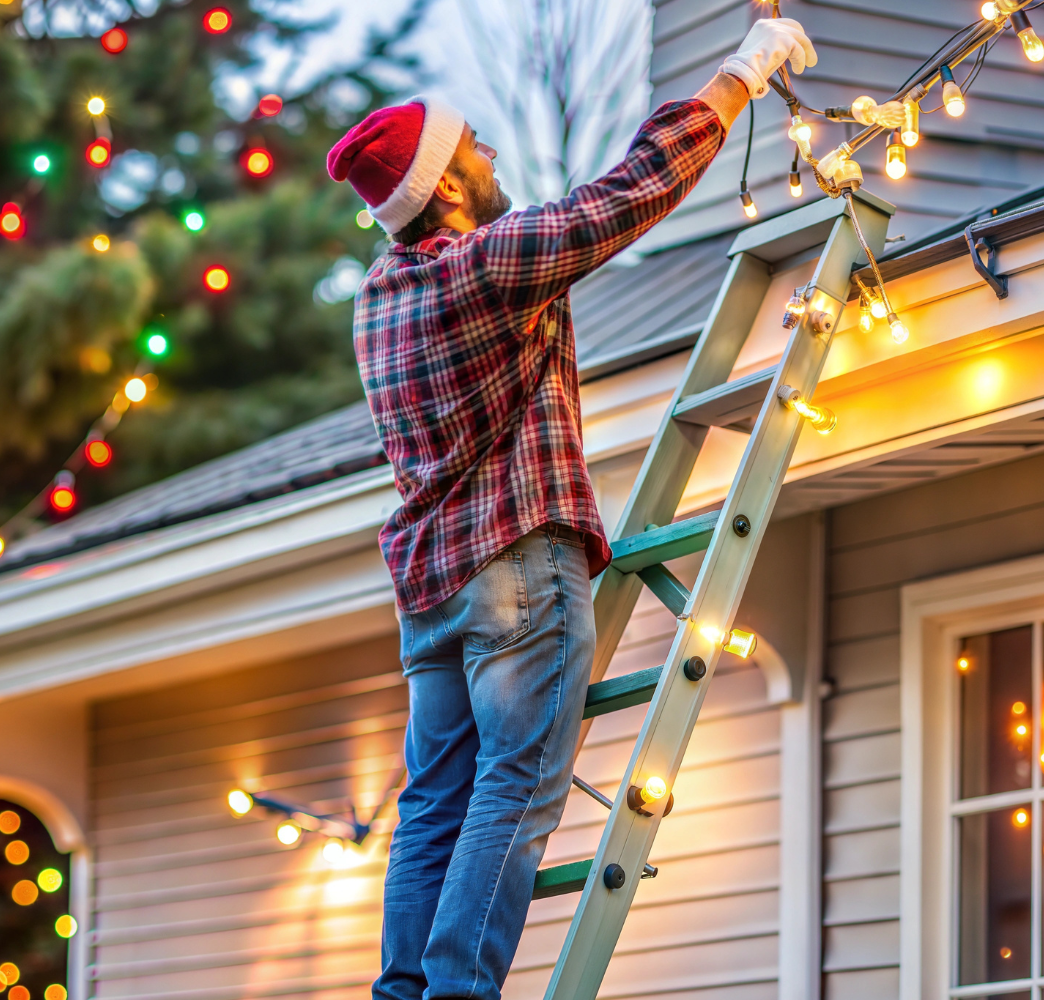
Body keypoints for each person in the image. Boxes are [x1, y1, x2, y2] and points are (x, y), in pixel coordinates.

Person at [325, 18, 819, 1000]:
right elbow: (627, 194)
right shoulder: (483, 265)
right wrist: (737, 76)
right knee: (513, 785)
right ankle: (460, 988)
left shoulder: (378, 295)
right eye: (476, 145)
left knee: (433, 803)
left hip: (430, 593)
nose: (494, 152)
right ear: (451, 188)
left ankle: (403, 990)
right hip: (515, 566)